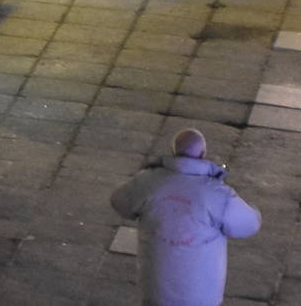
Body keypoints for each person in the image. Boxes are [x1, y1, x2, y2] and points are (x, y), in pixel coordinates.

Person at [110, 128, 262, 306]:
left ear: (173, 150)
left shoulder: (148, 182)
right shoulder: (216, 194)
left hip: (157, 286)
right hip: (201, 291)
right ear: (203, 153)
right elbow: (248, 224)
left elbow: (120, 202)